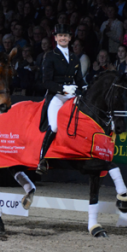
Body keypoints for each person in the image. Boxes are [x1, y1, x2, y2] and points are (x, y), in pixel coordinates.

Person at [37, 24, 86, 175]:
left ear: (70, 38)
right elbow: (46, 82)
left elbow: (79, 80)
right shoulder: (50, 56)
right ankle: (42, 158)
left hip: (73, 94)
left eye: (66, 35)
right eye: (60, 36)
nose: (63, 38)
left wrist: (85, 87)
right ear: (56, 38)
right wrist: (63, 89)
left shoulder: (74, 57)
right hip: (57, 95)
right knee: (55, 126)